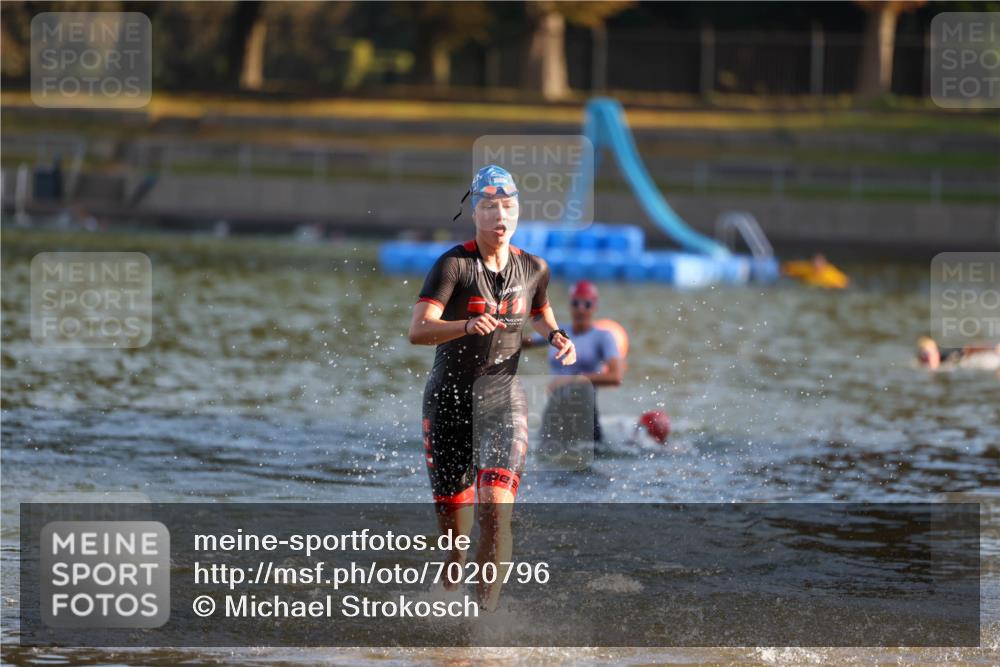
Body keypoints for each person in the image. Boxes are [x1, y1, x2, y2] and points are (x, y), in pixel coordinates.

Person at [408, 164, 576, 611]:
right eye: (490, 207)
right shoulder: (453, 266)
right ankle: (454, 562)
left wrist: (558, 336)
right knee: (458, 535)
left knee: (495, 513)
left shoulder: (534, 267)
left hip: (503, 400)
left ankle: (483, 623)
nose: (500, 216)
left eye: (508, 207)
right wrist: (464, 324)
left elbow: (540, 310)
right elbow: (418, 330)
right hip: (448, 402)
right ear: (475, 214)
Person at [525, 280, 624, 442]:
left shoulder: (603, 337)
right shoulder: (558, 333)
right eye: (575, 303)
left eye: (586, 304)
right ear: (570, 305)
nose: (580, 309)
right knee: (545, 457)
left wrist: (571, 380)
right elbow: (522, 343)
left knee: (590, 460)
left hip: (584, 410)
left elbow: (615, 377)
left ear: (595, 307)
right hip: (555, 408)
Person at [916, 336, 1000, 371]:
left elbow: (969, 348)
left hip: (958, 357)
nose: (928, 357)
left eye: (930, 353)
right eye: (925, 354)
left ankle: (996, 348)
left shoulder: (947, 355)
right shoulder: (919, 362)